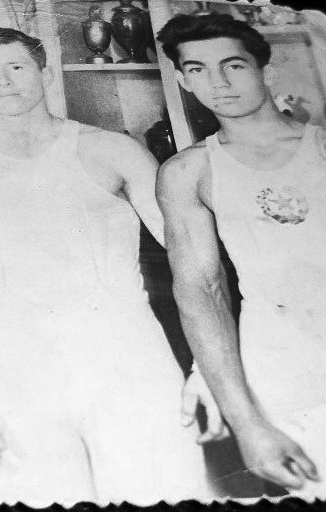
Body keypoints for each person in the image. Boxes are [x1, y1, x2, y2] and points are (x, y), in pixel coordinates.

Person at [0, 27, 210, 503]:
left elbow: (191, 258)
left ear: (45, 73)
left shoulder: (113, 150)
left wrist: (207, 365)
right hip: (12, 365)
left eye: (16, 67)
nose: (4, 81)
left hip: (126, 360)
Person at [157, 13, 325, 497]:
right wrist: (247, 423)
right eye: (198, 69)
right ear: (183, 81)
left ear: (265, 71)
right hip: (283, 369)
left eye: (233, 65)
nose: (219, 83)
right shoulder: (187, 172)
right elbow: (201, 294)